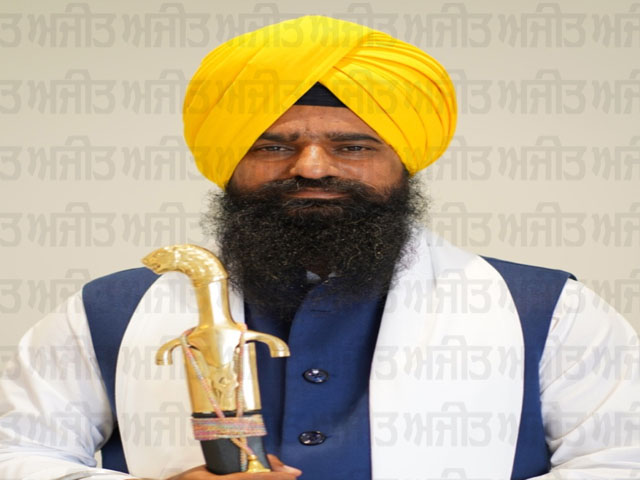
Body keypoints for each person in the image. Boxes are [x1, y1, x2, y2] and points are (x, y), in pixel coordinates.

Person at [1, 15, 639, 480]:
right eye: (272, 146)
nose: (310, 167)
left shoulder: (549, 309)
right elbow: (16, 454)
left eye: (351, 146)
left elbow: (621, 460)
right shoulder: (107, 310)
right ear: (229, 164)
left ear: (404, 163)